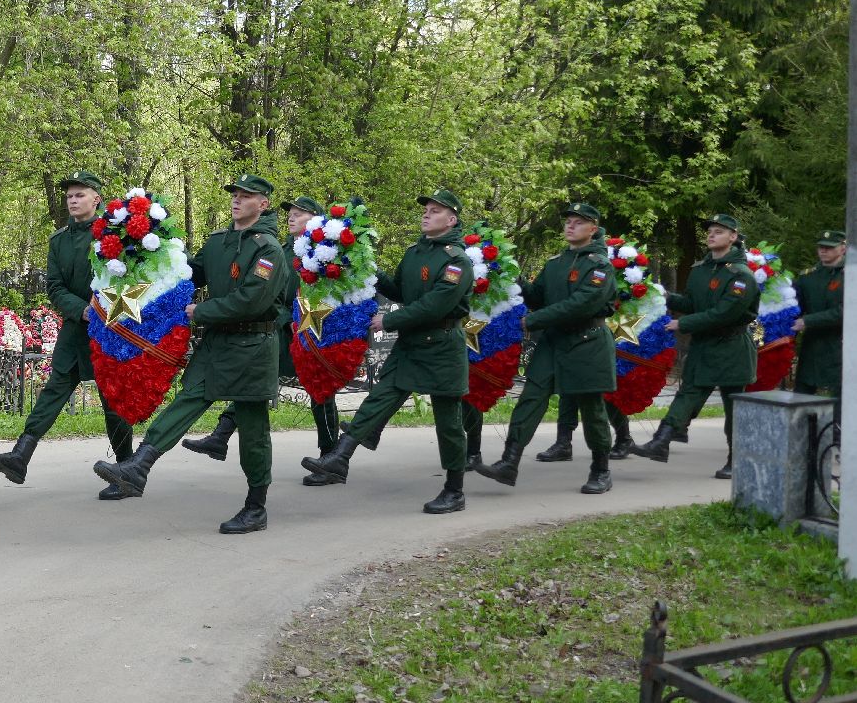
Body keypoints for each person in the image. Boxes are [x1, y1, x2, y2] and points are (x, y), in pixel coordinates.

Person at [93, 174, 289, 534]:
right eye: (234, 194)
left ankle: (255, 505)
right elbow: (189, 276)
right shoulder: (218, 242)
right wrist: (146, 256)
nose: (237, 200)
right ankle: (140, 465)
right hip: (217, 345)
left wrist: (203, 312)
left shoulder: (268, 250)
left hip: (253, 347)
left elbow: (253, 299)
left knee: (253, 428)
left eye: (246, 196)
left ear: (262, 205)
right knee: (188, 400)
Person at [303, 189, 474, 514]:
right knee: (380, 396)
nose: (426, 213)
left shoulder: (456, 261)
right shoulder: (414, 254)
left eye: (435, 210)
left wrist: (390, 320)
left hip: (442, 347)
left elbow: (436, 305)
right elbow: (400, 290)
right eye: (426, 209)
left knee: (448, 423)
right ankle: (341, 456)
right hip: (411, 345)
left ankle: (455, 490)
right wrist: (366, 265)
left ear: (451, 219)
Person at [0, 170, 136, 497]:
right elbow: (54, 286)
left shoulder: (115, 235)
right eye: (69, 194)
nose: (72, 199)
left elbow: (131, 277)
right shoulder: (59, 240)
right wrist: (80, 310)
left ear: (96, 198)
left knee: (112, 399)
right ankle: (19, 456)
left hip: (110, 328)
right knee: (54, 390)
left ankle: (126, 471)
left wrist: (103, 309)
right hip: (76, 328)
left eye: (79, 194)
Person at [179, 195, 343, 485]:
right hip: (280, 330)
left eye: (300, 213)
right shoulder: (278, 249)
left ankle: (331, 458)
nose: (292, 217)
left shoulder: (325, 251)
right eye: (290, 213)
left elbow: (331, 291)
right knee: (253, 386)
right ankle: (221, 435)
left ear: (316, 219)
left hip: (311, 330)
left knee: (319, 390)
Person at [471, 202, 618, 494]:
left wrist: (535, 320)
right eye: (568, 221)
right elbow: (538, 297)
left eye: (578, 221)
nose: (570, 225)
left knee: (592, 410)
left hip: (587, 343)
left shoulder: (599, 266)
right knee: (531, 398)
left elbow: (582, 304)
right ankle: (509, 462)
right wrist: (512, 276)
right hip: (553, 343)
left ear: (593, 228)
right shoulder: (555, 264)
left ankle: (601, 469)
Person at [629, 213, 760, 479]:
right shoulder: (701, 269)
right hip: (703, 347)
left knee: (734, 408)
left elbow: (726, 313)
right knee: (688, 394)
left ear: (733, 237)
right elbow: (692, 303)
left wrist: (684, 324)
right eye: (710, 231)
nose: (712, 235)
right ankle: (661, 442)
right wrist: (667, 297)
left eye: (719, 231)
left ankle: (737, 460)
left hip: (731, 347)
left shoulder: (741, 275)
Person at [792, 229, 844, 400]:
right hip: (812, 348)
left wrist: (808, 320)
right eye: (821, 247)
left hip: (840, 346)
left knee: (840, 404)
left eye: (829, 247)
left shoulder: (850, 275)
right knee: (801, 400)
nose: (823, 250)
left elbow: (845, 311)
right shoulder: (808, 276)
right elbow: (795, 306)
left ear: (843, 248)